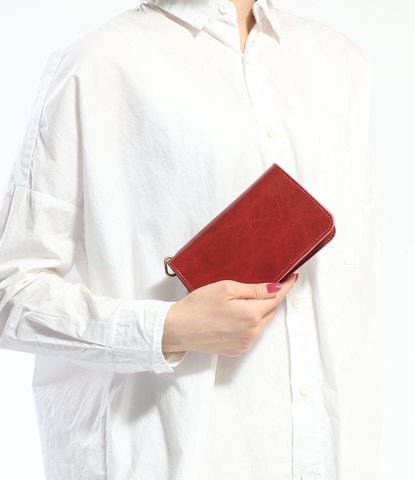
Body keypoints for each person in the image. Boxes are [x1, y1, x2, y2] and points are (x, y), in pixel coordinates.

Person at [0, 0, 383, 479]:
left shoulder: (339, 62)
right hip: (167, 458)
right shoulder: (100, 65)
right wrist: (167, 329)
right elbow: (11, 292)